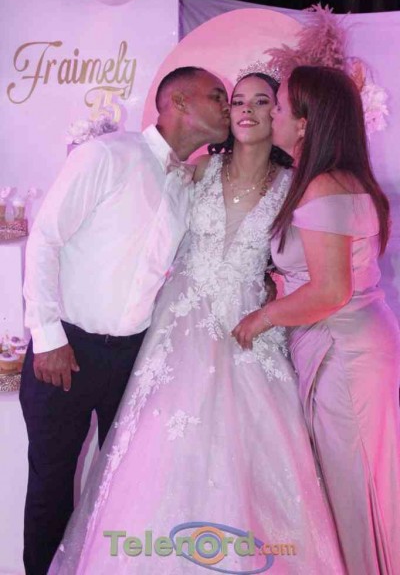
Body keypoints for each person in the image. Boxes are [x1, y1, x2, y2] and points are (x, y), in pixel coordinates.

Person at [49, 71, 344, 574]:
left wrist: (274, 295)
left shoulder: (295, 186)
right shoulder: (200, 169)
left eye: (262, 101)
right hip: (177, 325)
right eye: (237, 100)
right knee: (160, 451)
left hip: (249, 331)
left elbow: (306, 264)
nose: (246, 110)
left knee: (247, 463)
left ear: (279, 114)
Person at [19, 66, 230, 575]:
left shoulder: (186, 183)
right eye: (217, 96)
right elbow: (45, 240)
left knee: (120, 487)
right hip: (66, 350)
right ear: (179, 102)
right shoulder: (107, 155)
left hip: (135, 357)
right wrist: (47, 337)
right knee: (52, 486)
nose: (227, 107)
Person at [232, 65, 400, 575]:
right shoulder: (340, 179)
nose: (272, 116)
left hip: (343, 352)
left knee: (355, 490)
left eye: (280, 107)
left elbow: (330, 290)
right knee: (365, 484)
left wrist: (263, 317)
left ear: (304, 123)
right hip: (354, 343)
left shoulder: (323, 186)